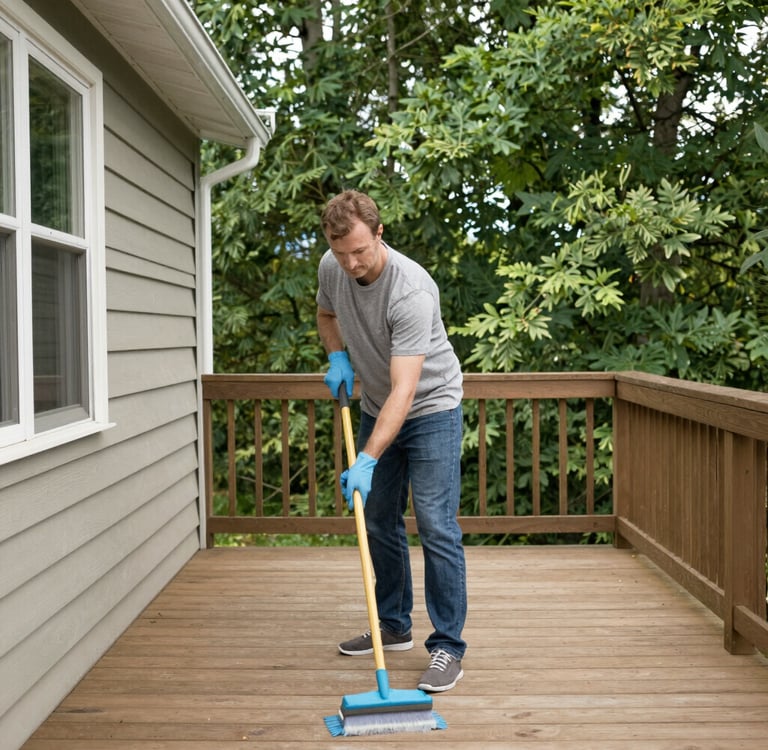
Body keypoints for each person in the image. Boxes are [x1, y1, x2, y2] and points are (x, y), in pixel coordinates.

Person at [316, 189, 467, 692]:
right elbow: (327, 314)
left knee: (435, 525)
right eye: (342, 253)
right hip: (378, 406)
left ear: (380, 234)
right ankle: (394, 626)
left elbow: (406, 389)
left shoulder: (411, 291)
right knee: (378, 517)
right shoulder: (332, 266)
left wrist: (367, 458)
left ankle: (447, 647)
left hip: (430, 409)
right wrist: (337, 357)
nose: (352, 263)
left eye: (360, 250)